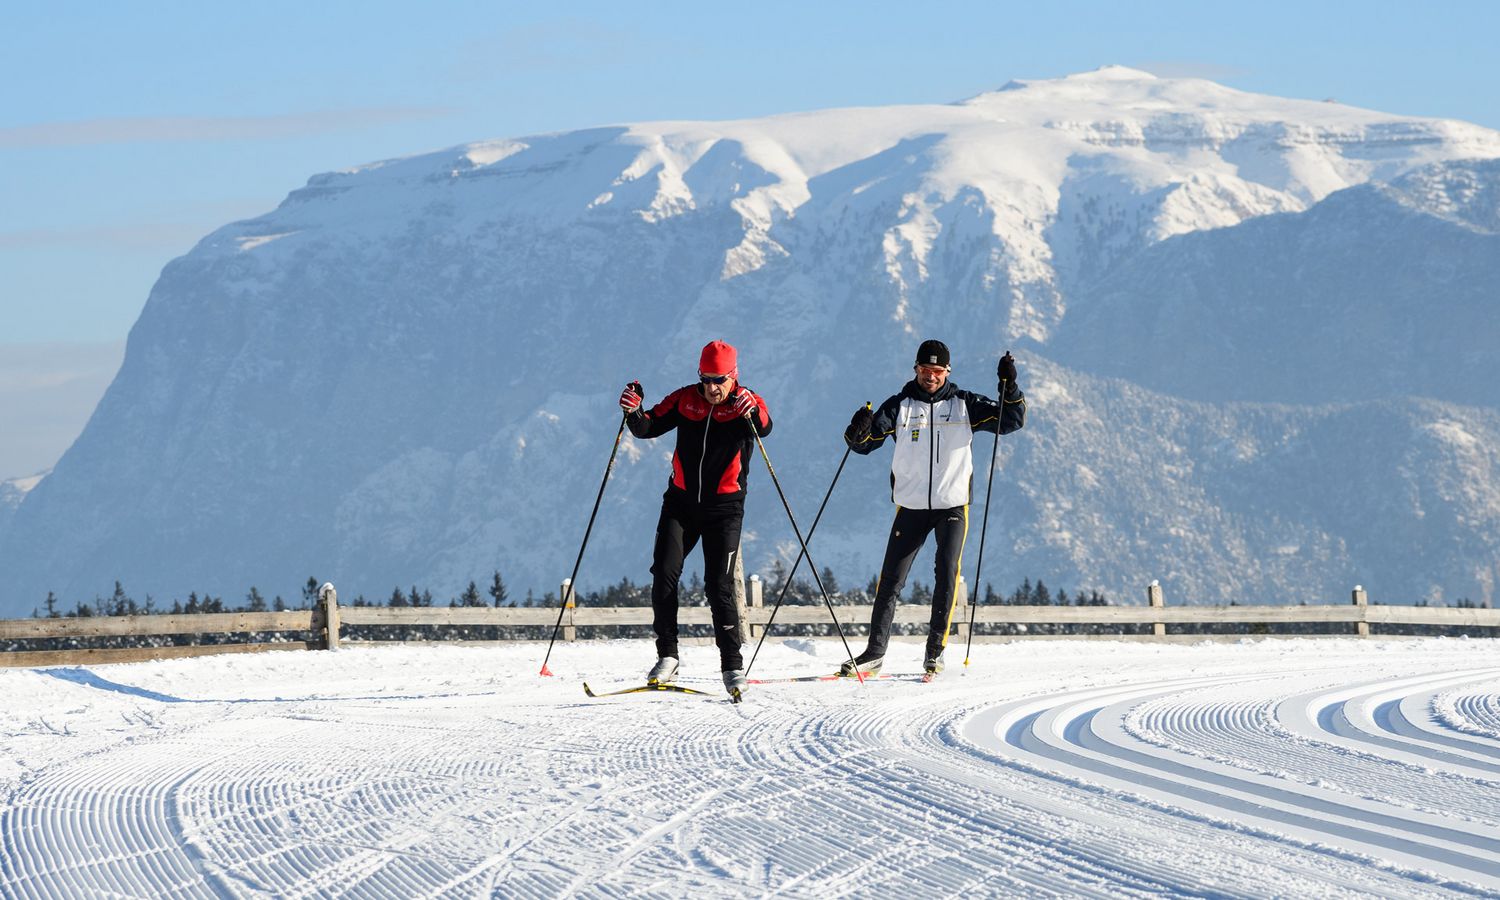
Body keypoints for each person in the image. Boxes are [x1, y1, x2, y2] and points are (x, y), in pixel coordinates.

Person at [839, 340, 1026, 677]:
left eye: (937, 371)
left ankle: (934, 652)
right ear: (916, 369)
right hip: (911, 506)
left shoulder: (965, 404)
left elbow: (1011, 420)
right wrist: (857, 430)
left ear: (947, 372)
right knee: (890, 581)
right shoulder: (899, 406)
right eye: (925, 370)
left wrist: (1009, 386)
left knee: (946, 570)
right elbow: (863, 446)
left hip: (952, 505)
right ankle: (874, 653)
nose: (931, 377)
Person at [618, 340, 771, 697]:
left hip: (724, 509)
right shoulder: (686, 399)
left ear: (733, 376)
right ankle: (667, 656)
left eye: (719, 380)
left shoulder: (746, 402)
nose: (711, 388)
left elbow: (765, 426)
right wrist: (633, 410)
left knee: (718, 585)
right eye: (705, 379)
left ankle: (732, 666)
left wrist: (752, 413)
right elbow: (646, 428)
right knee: (663, 574)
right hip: (681, 504)